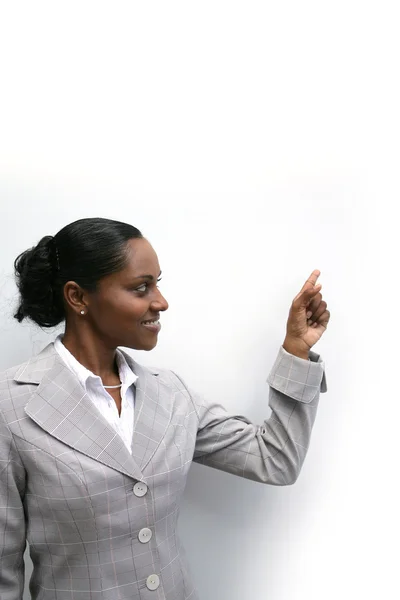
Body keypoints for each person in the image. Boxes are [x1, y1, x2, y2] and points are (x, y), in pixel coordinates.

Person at [0, 217, 329, 600]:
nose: (161, 301)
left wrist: (296, 352)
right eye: (141, 288)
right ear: (78, 297)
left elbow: (275, 459)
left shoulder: (171, 394)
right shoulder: (12, 404)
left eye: (158, 283)